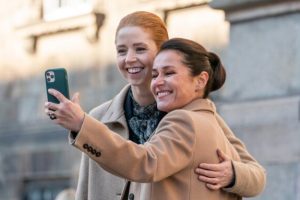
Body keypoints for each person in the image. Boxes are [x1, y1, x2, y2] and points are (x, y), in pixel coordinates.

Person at [44, 11, 265, 199]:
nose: (129, 58)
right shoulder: (98, 116)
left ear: (162, 52)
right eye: (121, 51)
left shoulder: (191, 115)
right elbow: (84, 191)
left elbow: (256, 175)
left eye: (140, 49)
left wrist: (232, 173)